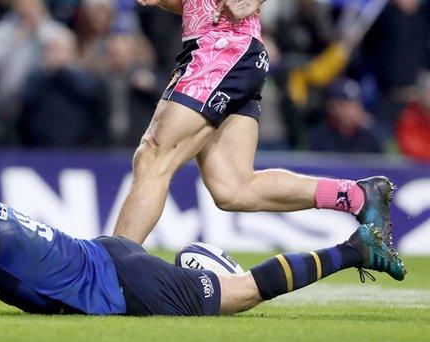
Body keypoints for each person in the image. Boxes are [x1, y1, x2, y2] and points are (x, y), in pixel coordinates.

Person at [0, 158, 405, 316]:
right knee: (226, 294)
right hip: (110, 256)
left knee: (241, 296)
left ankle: (355, 248)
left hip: (125, 283)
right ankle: (201, 267)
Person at [112, 0, 396, 249]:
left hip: (222, 47)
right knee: (233, 188)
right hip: (229, 49)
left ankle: (110, 273)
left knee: (153, 156)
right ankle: (356, 196)